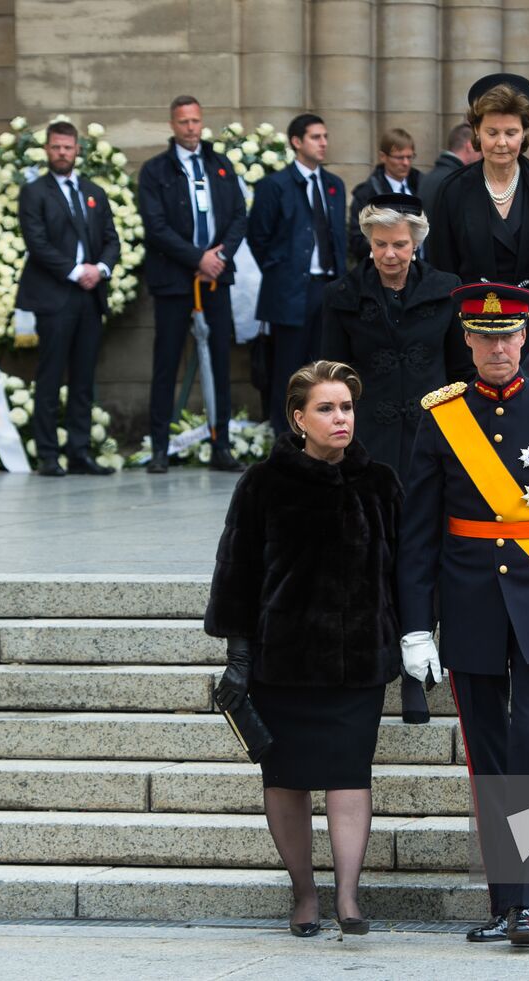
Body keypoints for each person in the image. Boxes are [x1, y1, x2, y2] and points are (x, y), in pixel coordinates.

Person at [399, 282, 529, 947]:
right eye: (484, 337)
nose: (497, 347)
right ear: (467, 340)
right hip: (468, 605)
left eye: (508, 336)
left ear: (525, 339)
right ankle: (502, 901)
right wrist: (413, 624)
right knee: (488, 757)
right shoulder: (441, 416)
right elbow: (419, 533)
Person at [204, 360, 401, 939]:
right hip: (282, 661)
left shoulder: (381, 482)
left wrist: (412, 640)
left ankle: (348, 897)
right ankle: (303, 893)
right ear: (298, 418)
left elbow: (402, 575)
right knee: (285, 781)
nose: (340, 418)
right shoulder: (262, 484)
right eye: (326, 408)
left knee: (349, 775)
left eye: (346, 408)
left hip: (358, 662)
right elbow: (236, 575)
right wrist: (238, 658)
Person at [320, 193, 464, 725]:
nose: (390, 255)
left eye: (400, 244)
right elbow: (327, 380)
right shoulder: (341, 295)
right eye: (380, 245)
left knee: (423, 558)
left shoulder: (444, 291)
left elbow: (459, 372)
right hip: (367, 449)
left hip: (434, 447)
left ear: (416, 243)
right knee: (371, 560)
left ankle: (417, 677)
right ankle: (378, 665)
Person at [426, 74, 529, 341]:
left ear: (524, 133)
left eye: (511, 133)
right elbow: (441, 270)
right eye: (492, 132)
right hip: (472, 333)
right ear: (476, 132)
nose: (501, 142)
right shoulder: (452, 190)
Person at [139, 95, 249, 473]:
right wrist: (195, 258)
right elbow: (155, 227)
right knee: (166, 363)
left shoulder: (219, 165)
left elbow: (238, 214)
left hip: (215, 279)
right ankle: (159, 447)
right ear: (172, 125)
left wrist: (218, 258)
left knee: (218, 362)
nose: (191, 128)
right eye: (184, 122)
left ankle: (221, 445)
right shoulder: (156, 171)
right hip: (173, 280)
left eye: (196, 121)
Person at [15, 120, 121, 477]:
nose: (62, 153)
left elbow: (111, 238)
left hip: (90, 298)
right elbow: (38, 243)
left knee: (83, 377)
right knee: (49, 377)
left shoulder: (93, 191)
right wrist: (77, 271)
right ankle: (48, 454)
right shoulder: (34, 192)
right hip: (54, 296)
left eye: (68, 147)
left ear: (78, 150)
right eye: (56, 147)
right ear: (47, 150)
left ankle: (79, 451)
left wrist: (101, 269)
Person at [248, 113, 347, 436]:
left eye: (325, 136)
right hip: (290, 290)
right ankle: (286, 437)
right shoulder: (274, 186)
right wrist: (282, 270)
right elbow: (258, 237)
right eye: (316, 137)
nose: (323, 143)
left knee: (327, 367)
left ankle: (324, 435)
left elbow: (339, 237)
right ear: (296, 142)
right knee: (289, 370)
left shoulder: (334, 185)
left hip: (328, 287)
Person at [347, 129, 423, 262]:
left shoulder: (423, 186)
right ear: (383, 157)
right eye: (399, 157)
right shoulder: (366, 194)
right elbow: (357, 240)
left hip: (422, 269)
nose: (405, 163)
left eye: (409, 157)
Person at [418, 122, 480, 210]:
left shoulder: (427, 177)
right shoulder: (458, 180)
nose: (480, 154)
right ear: (469, 146)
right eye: (478, 147)